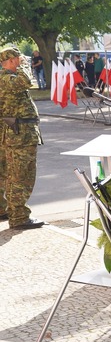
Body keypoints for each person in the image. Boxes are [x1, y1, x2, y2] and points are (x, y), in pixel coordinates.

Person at [0, 47, 44, 229]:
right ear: (11, 61)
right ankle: (18, 217)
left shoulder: (7, 78)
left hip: (17, 132)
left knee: (7, 174)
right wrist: (25, 65)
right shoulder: (7, 78)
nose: (22, 62)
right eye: (19, 59)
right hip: (20, 135)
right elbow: (26, 81)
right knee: (21, 175)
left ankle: (5, 210)